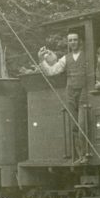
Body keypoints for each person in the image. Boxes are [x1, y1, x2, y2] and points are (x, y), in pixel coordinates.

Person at [38, 32, 88, 164]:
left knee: (83, 124)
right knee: (74, 125)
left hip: (84, 92)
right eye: (70, 40)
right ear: (68, 43)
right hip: (71, 92)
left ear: (80, 41)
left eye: (75, 40)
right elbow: (51, 71)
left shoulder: (87, 55)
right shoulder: (66, 58)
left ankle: (87, 154)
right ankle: (80, 155)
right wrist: (41, 59)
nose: (73, 42)